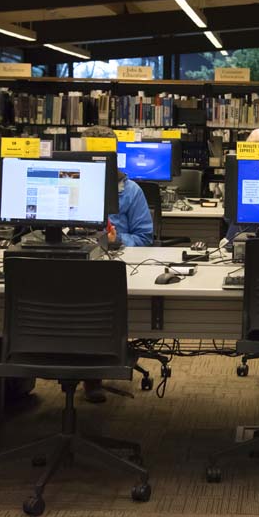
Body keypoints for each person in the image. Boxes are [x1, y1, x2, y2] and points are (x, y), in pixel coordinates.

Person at [81, 126, 155, 402]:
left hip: (115, 270)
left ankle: (93, 374)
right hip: (74, 267)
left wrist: (117, 239)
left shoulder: (131, 191)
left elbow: (145, 238)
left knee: (96, 302)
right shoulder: (67, 182)